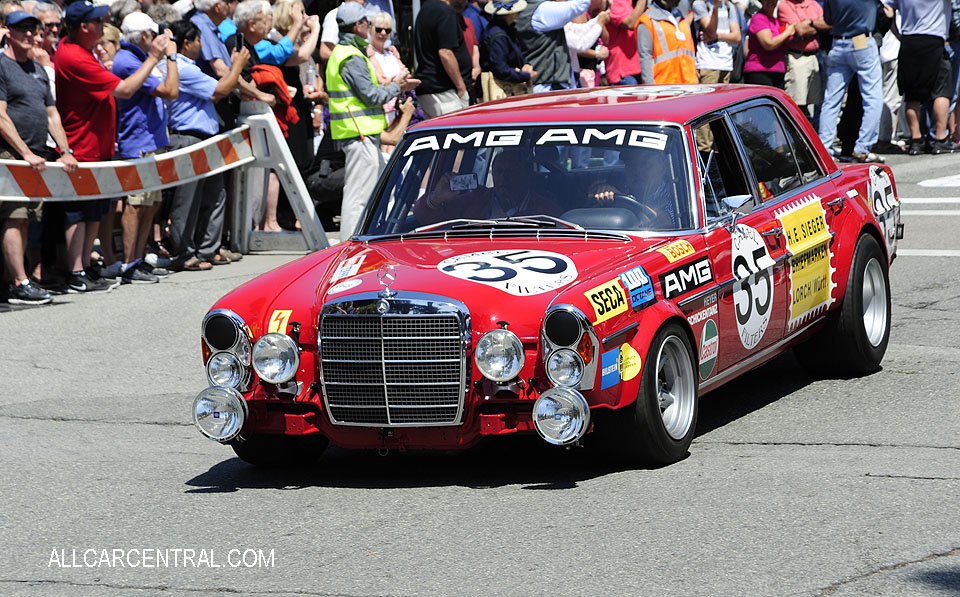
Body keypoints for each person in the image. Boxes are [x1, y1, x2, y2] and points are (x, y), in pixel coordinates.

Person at [55, 0, 170, 293]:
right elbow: (125, 89)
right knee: (78, 212)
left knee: (95, 210)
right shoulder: (74, 56)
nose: (103, 26)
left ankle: (86, 267)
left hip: (98, 148)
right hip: (81, 147)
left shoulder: (84, 52)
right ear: (83, 27)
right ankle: (76, 269)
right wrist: (154, 57)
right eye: (96, 22)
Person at [0, 9, 77, 304]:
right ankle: (19, 282)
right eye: (22, 29)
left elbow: (51, 114)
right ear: (8, 31)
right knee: (15, 217)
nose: (29, 34)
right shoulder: (2, 66)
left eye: (33, 29)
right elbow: (1, 115)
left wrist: (65, 150)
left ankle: (18, 278)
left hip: (37, 155)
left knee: (29, 219)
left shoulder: (37, 69)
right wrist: (25, 153)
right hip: (11, 154)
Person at [326, 1, 418, 236]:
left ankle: (366, 242)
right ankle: (350, 247)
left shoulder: (346, 53)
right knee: (358, 198)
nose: (369, 28)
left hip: (360, 134)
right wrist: (397, 86)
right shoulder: (352, 57)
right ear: (358, 26)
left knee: (369, 196)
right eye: (367, 23)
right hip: (359, 135)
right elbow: (372, 96)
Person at [165, 20, 249, 272]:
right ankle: (184, 253)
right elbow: (219, 89)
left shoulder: (188, 66)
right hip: (188, 138)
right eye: (198, 40)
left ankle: (207, 249)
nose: (202, 45)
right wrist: (237, 66)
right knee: (186, 199)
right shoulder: (182, 67)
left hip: (205, 138)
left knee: (214, 193)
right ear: (186, 43)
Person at [112, 12, 179, 284]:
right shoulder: (128, 61)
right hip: (137, 144)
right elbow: (170, 90)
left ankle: (138, 258)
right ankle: (129, 263)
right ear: (144, 37)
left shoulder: (139, 59)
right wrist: (171, 56)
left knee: (151, 204)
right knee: (136, 205)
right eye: (154, 34)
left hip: (152, 143)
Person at [885, 0, 960, 155]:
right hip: (934, 39)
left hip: (909, 41)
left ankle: (916, 140)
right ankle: (940, 139)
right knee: (942, 91)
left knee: (912, 95)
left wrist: (899, 33)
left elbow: (887, 9)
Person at [413, 148, 562, 225]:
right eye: (499, 171)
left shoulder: (546, 210)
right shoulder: (475, 199)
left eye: (511, 171)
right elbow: (424, 218)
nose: (503, 177)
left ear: (527, 175)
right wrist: (436, 199)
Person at [816, 0, 883, 163]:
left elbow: (829, 20)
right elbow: (884, 10)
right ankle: (863, 147)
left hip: (839, 43)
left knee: (831, 100)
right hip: (862, 41)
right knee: (872, 97)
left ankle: (824, 148)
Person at [586, 148, 678, 229]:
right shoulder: (620, 187)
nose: (637, 172)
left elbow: (667, 222)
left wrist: (626, 204)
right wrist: (599, 201)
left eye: (646, 165)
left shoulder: (676, 193)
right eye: (631, 165)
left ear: (663, 167)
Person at [515, 0, 591, 92]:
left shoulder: (520, 8)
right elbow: (581, 4)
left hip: (538, 83)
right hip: (549, 87)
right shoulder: (542, 11)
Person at [414, 0, 471, 116]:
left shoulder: (426, 8)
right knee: (455, 131)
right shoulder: (445, 11)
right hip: (444, 91)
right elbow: (445, 52)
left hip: (435, 90)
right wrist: (461, 87)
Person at [778, 0, 825, 120]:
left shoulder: (813, 4)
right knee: (797, 106)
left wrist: (809, 24)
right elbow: (799, 30)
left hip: (815, 57)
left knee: (816, 103)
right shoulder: (785, 5)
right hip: (797, 58)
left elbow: (827, 24)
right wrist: (817, 26)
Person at [479, 0, 536, 98]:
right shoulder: (498, 35)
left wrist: (525, 65)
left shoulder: (505, 30)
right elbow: (501, 69)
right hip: (504, 87)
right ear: (512, 14)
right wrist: (526, 76)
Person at [637, 0, 698, 85]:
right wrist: (651, 91)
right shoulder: (647, 21)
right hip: (665, 88)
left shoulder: (681, 18)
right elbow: (645, 59)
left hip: (689, 86)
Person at [742, 0, 794, 88]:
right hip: (759, 72)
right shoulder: (758, 18)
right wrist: (787, 33)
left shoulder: (776, 21)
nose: (770, 1)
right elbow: (768, 44)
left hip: (778, 71)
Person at [692, 0, 741, 85]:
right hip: (708, 64)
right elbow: (711, 30)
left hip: (726, 64)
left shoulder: (728, 6)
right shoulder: (700, 4)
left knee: (724, 98)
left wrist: (716, 36)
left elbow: (737, 37)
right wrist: (716, 7)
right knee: (708, 97)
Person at [564, 7, 609, 88]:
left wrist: (599, 20)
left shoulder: (586, 13)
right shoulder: (575, 14)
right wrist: (597, 54)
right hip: (582, 72)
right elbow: (579, 45)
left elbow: (606, 39)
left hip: (590, 70)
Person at [606, 0, 646, 85]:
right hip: (624, 74)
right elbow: (630, 23)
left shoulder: (629, 2)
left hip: (638, 68)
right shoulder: (614, 3)